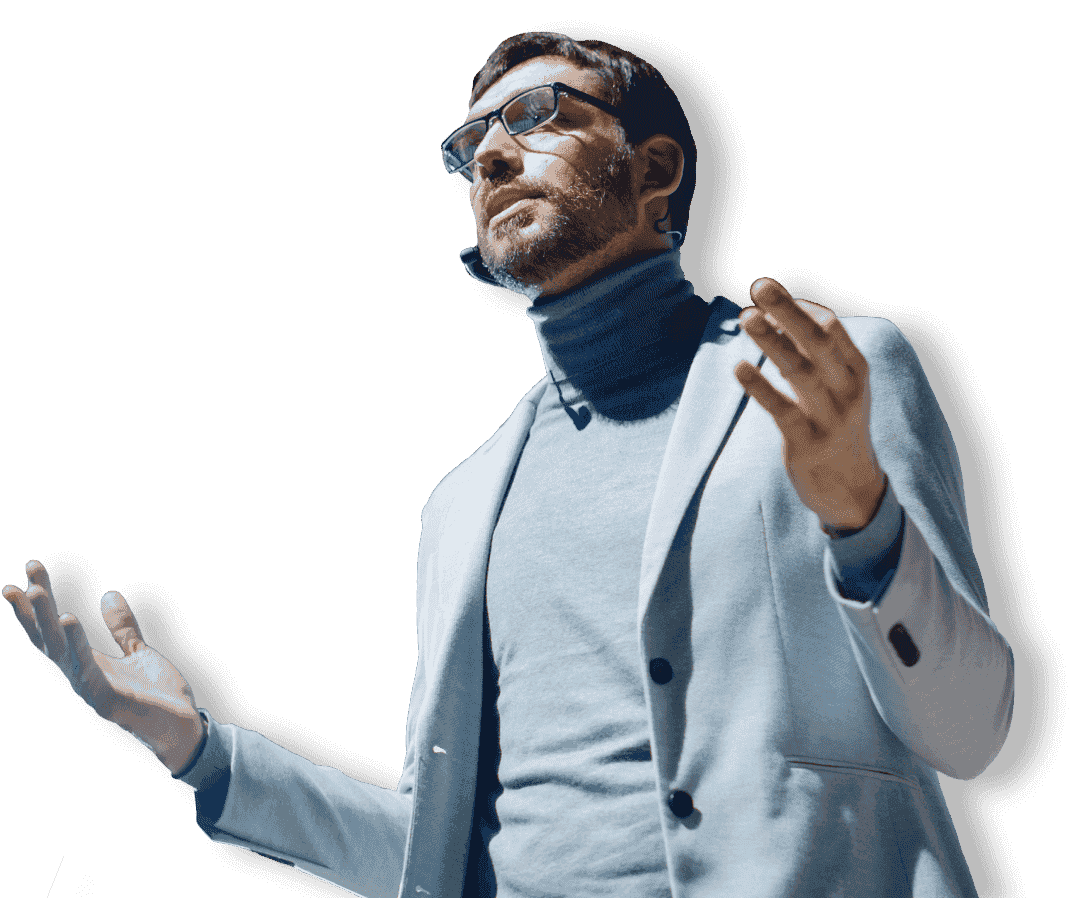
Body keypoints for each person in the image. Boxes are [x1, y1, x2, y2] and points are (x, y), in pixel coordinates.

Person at [5, 31, 1014, 898]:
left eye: (535, 115)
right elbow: (431, 852)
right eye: (470, 145)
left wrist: (862, 520)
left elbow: (970, 734)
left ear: (656, 168)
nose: (489, 154)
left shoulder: (828, 382)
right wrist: (201, 749)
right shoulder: (461, 505)